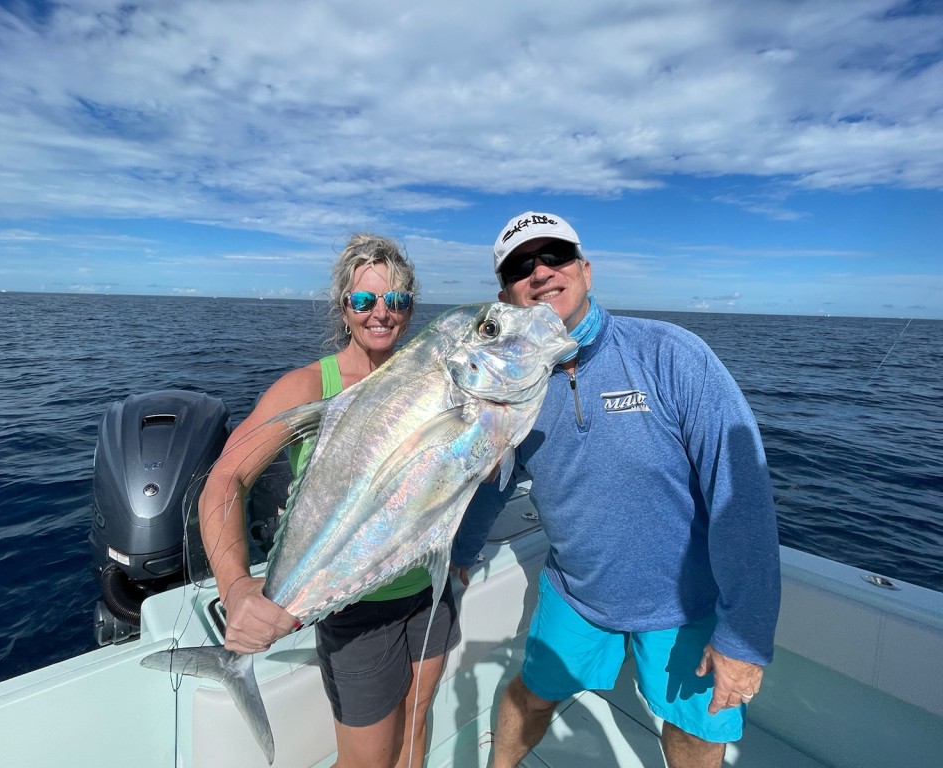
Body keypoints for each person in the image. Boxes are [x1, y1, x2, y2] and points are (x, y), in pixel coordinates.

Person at [451, 212, 781, 768]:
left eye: (554, 255)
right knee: (530, 699)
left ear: (584, 269)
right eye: (520, 267)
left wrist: (744, 635)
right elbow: (492, 476)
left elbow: (741, 495)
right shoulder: (507, 384)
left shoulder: (672, 354)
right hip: (577, 593)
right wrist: (460, 550)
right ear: (505, 296)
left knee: (694, 732)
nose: (541, 272)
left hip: (686, 603)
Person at [199, 233, 460, 768]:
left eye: (397, 301)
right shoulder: (305, 387)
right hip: (353, 608)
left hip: (427, 593)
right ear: (344, 307)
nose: (380, 314)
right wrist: (236, 586)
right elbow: (224, 480)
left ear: (411, 309)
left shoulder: (433, 379)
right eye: (365, 301)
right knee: (368, 760)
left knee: (417, 723)